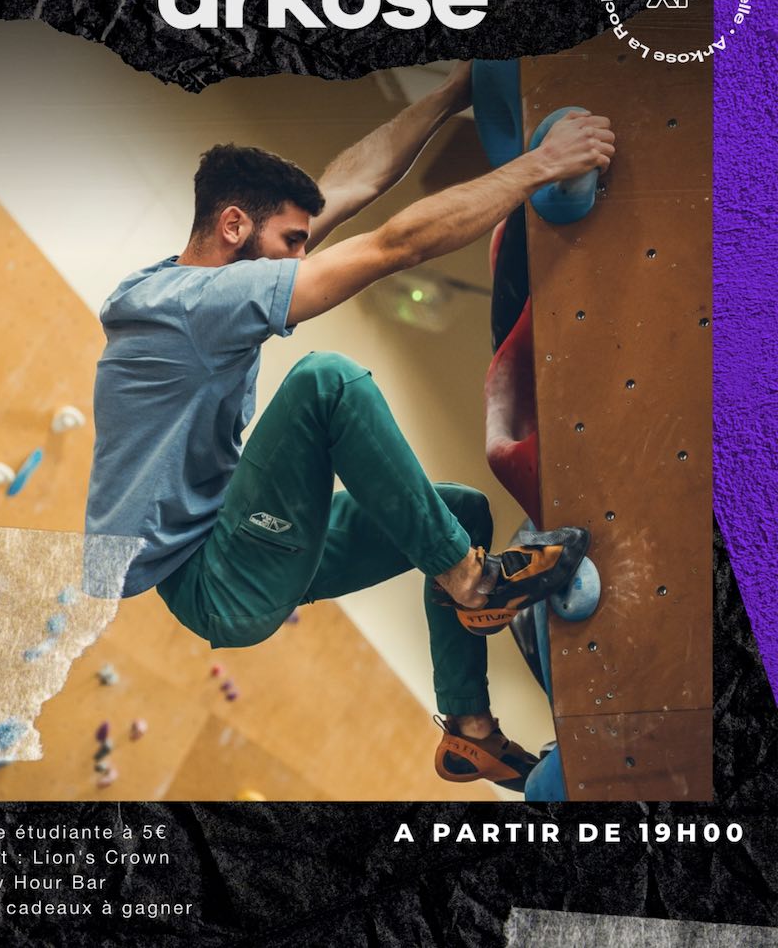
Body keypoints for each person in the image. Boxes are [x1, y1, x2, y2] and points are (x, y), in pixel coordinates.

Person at [86, 63, 615, 791]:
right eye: (292, 241)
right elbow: (396, 246)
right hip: (217, 576)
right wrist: (542, 165)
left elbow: (352, 184)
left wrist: (453, 93)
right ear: (234, 226)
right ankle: (472, 584)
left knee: (457, 515)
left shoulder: (183, 283)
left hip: (235, 540)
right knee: (325, 382)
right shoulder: (194, 306)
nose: (303, 258)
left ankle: (469, 732)